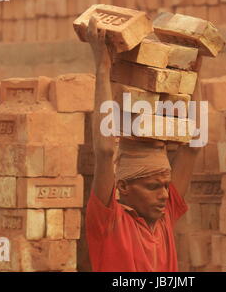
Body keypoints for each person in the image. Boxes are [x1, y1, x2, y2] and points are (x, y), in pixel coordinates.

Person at [85, 16, 203, 272]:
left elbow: (195, 145)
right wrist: (102, 68)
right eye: (153, 187)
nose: (164, 195)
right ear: (123, 186)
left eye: (164, 185)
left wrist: (192, 75)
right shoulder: (109, 222)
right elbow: (105, 152)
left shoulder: (164, 217)